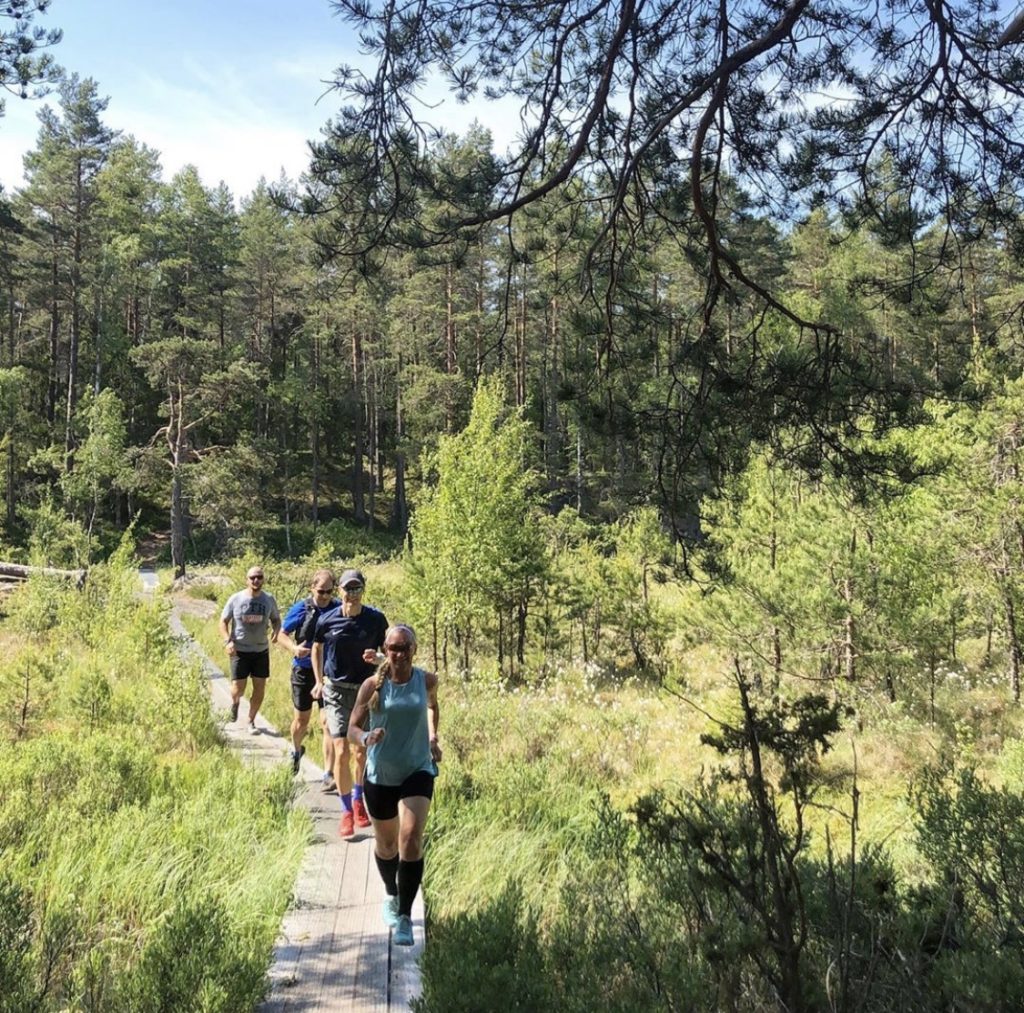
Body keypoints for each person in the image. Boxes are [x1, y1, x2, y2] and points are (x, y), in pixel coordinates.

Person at [348, 623, 441, 947]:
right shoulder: (372, 686)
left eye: (405, 648)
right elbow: (352, 728)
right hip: (381, 774)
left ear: (414, 649)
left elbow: (433, 706)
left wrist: (433, 737)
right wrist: (366, 737)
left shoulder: (426, 681)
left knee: (411, 838)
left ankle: (404, 916)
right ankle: (391, 893)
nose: (399, 654)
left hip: (417, 769)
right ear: (385, 650)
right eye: (394, 648)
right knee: (387, 846)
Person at [311, 568, 389, 838]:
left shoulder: (376, 619)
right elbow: (317, 647)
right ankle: (346, 811)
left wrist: (378, 659)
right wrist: (318, 681)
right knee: (342, 750)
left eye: (357, 589)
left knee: (360, 752)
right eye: (348, 589)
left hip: (364, 692)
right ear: (339, 590)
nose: (352, 594)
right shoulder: (327, 619)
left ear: (363, 590)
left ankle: (358, 799)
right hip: (335, 690)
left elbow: (389, 653)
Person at [277, 568, 339, 779]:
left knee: (328, 723)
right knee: (301, 721)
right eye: (321, 591)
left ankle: (328, 773)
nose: (325, 596)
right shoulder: (302, 609)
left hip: (329, 672)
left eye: (329, 591)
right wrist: (294, 648)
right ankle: (296, 750)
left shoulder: (338, 609)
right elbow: (281, 634)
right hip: (303, 670)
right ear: (312, 588)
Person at [219, 565, 281, 733]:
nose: (256, 580)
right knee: (238, 689)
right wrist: (227, 642)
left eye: (259, 577)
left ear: (263, 579)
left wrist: (276, 632)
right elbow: (223, 621)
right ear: (246, 580)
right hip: (239, 650)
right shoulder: (236, 599)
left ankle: (251, 721)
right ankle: (235, 703)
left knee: (259, 688)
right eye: (252, 577)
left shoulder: (269, 599)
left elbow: (276, 619)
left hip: (261, 651)